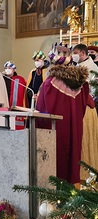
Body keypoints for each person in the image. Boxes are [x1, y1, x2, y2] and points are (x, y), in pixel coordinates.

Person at [36, 44, 90, 184]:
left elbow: (42, 112)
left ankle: (53, 188)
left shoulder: (50, 83)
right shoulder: (82, 83)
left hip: (55, 131)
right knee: (72, 155)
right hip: (74, 128)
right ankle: (72, 186)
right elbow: (84, 109)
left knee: (57, 159)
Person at [72, 44, 98, 179]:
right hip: (78, 106)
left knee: (86, 141)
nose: (73, 56)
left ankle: (87, 173)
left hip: (87, 108)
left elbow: (91, 90)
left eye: (75, 53)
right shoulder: (77, 66)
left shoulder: (92, 68)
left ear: (82, 53)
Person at [3, 61, 27, 129]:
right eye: (6, 68)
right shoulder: (2, 79)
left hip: (16, 107)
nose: (7, 69)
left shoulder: (20, 79)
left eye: (9, 68)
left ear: (13, 70)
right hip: (5, 105)